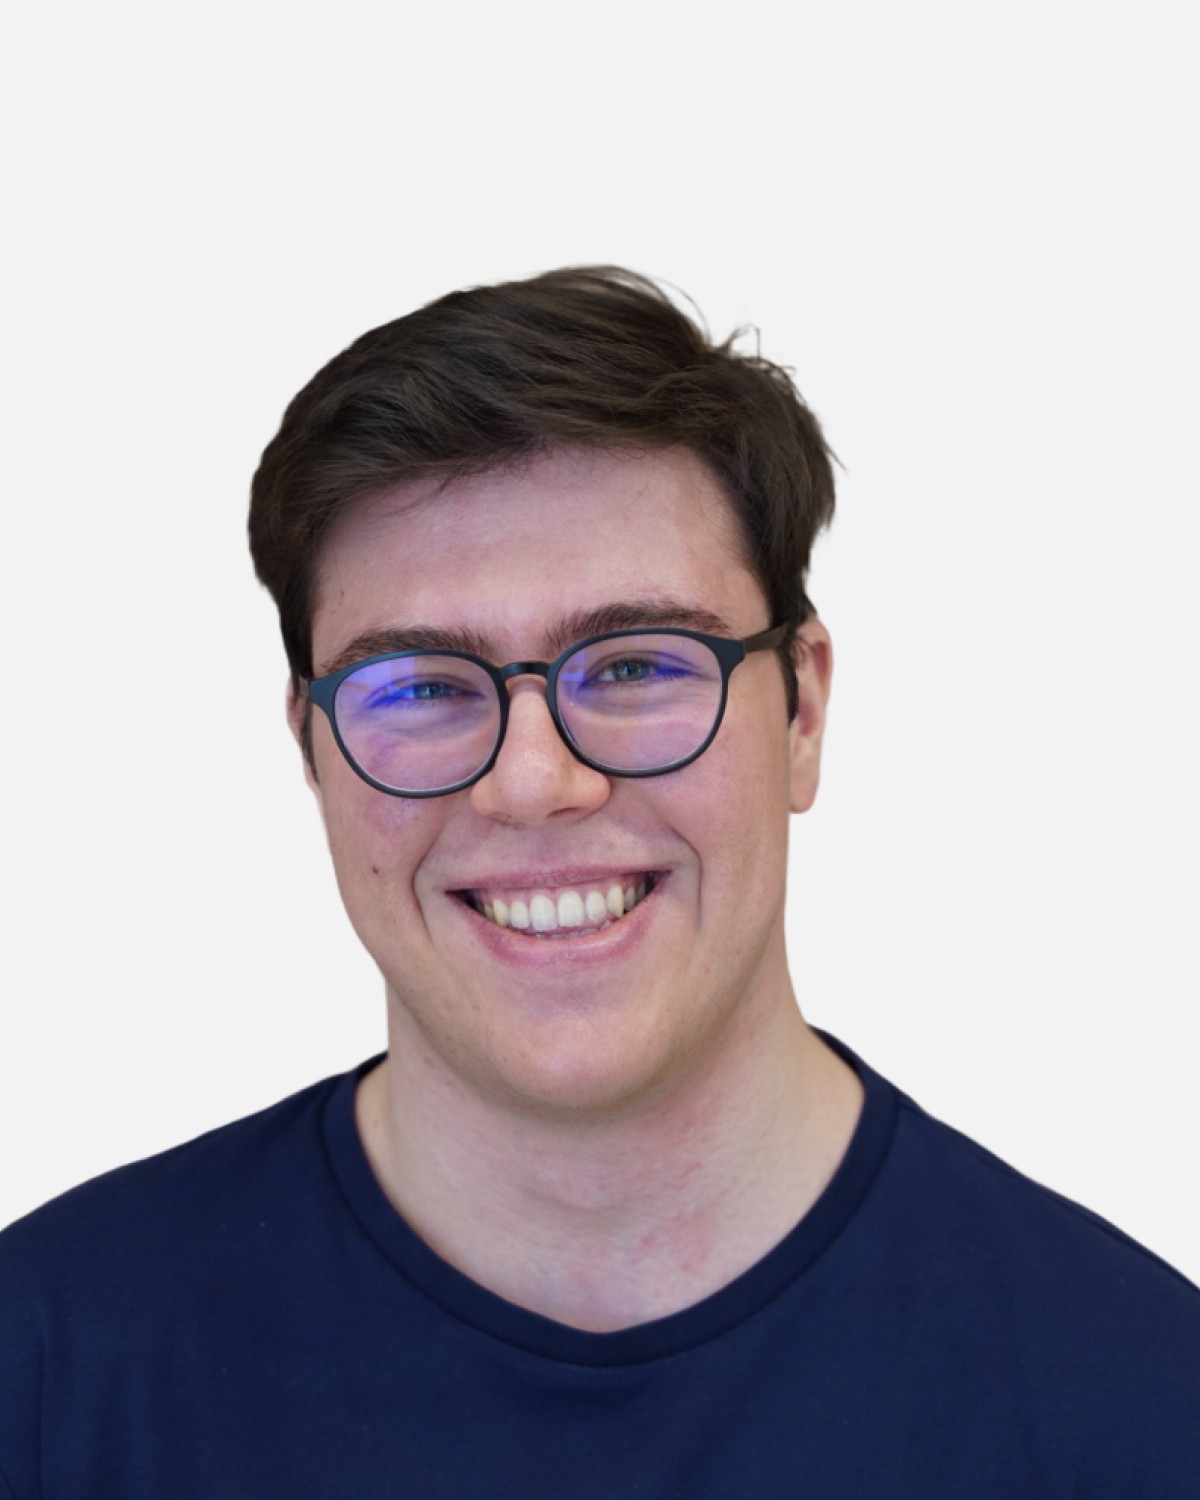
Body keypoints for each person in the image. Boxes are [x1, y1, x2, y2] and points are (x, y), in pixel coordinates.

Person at [1, 268, 1197, 1497]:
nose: (532, 782)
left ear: (804, 711)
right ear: (310, 751)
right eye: (417, 685)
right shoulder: (41, 1373)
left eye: (633, 668)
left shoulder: (1147, 1408)